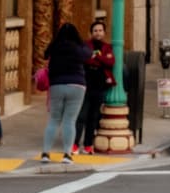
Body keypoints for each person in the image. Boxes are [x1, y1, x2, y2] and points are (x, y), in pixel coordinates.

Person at [42, 22, 92, 163]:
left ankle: (45, 153)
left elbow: (45, 55)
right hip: (77, 85)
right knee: (70, 121)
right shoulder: (79, 47)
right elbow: (88, 55)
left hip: (57, 85)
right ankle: (67, 154)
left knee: (54, 120)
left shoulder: (55, 47)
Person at [75, 16, 115, 157]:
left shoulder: (107, 47)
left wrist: (96, 58)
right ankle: (74, 144)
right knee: (81, 115)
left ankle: (87, 145)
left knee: (93, 117)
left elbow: (110, 62)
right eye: (95, 30)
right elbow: (85, 59)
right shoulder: (85, 45)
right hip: (86, 84)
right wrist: (99, 60)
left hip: (100, 85)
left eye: (100, 30)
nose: (98, 33)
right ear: (91, 32)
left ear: (104, 33)